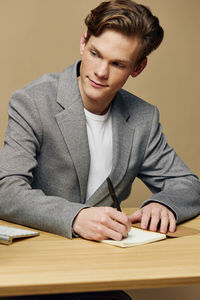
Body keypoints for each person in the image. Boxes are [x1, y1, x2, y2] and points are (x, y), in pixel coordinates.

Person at [0, 0, 200, 299]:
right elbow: (6, 190)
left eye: (118, 63)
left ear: (138, 67)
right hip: (37, 269)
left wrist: (165, 204)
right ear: (83, 42)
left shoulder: (143, 117)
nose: (101, 72)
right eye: (95, 54)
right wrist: (76, 217)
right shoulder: (32, 101)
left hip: (103, 270)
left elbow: (187, 185)